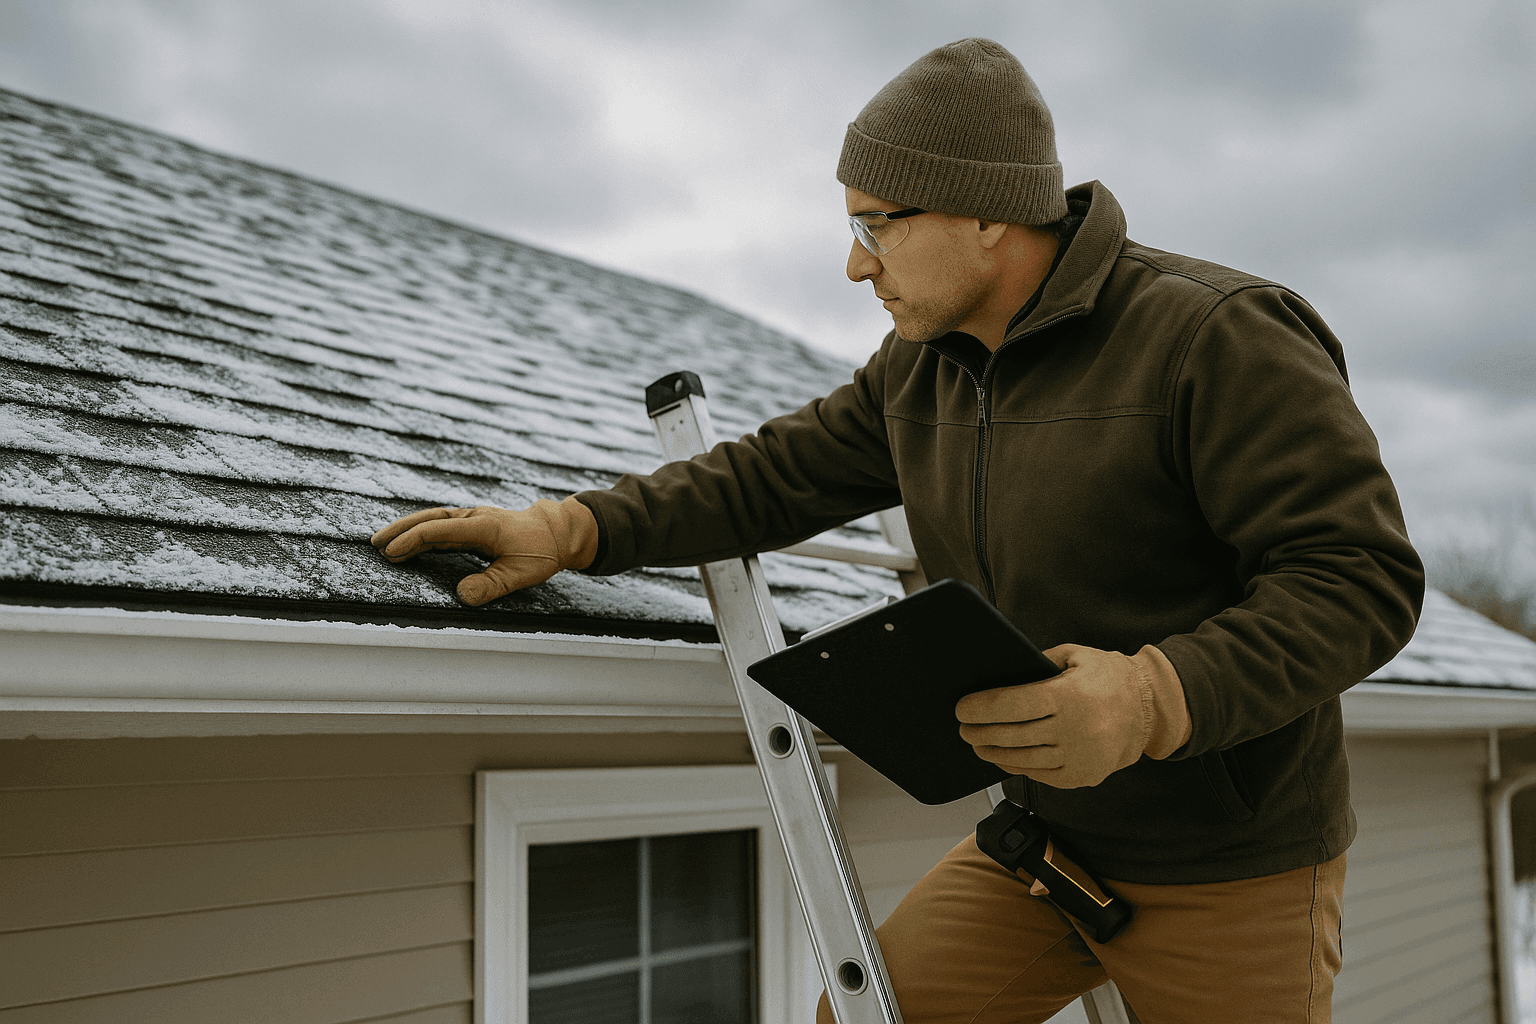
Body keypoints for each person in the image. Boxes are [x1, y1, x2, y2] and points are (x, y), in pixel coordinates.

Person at [371, 38, 1423, 1024]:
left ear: (986, 214)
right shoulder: (924, 366)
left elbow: (1358, 579)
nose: (856, 265)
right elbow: (770, 477)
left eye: (876, 226)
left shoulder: (1218, 335)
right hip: (1047, 849)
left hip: (1231, 865)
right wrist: (572, 527)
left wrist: (1152, 697)